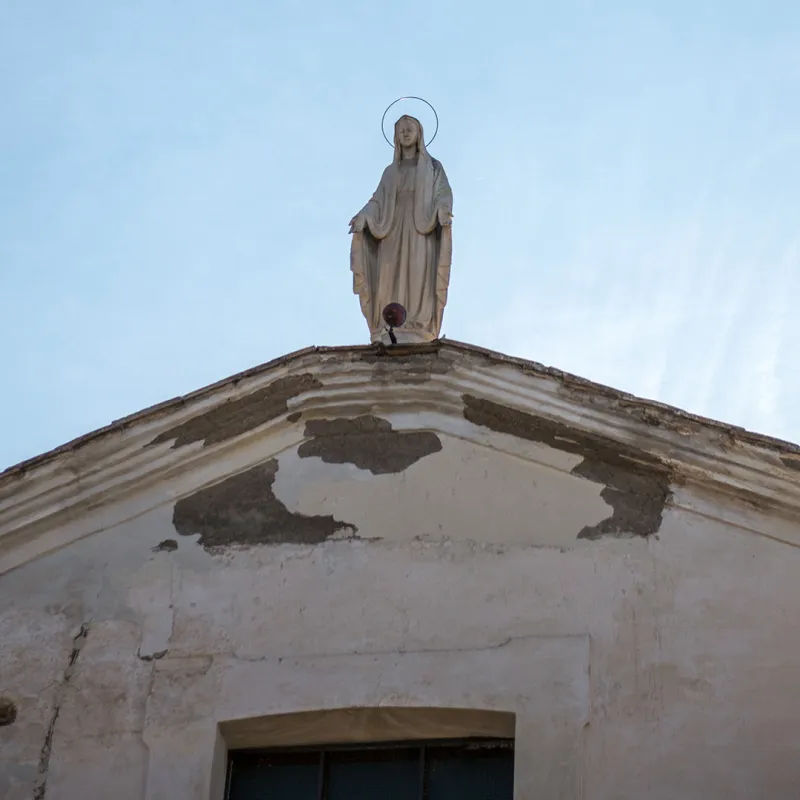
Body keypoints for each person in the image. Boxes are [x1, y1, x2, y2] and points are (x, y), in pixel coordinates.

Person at [349, 115, 453, 343]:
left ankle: (418, 322)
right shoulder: (390, 172)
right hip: (392, 230)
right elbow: (377, 200)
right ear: (396, 137)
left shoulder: (432, 168)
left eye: (410, 129)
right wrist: (364, 217)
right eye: (401, 130)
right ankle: (389, 324)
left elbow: (443, 193)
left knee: (417, 273)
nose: (405, 133)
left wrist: (442, 210)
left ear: (419, 134)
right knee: (389, 276)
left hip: (420, 230)